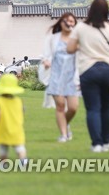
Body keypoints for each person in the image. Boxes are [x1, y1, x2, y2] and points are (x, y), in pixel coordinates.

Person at [67, 0, 109, 153]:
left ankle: (96, 144)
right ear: (107, 11)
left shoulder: (81, 28)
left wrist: (83, 46)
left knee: (93, 109)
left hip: (88, 70)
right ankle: (106, 143)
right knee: (106, 107)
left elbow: (70, 49)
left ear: (90, 11)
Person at [42, 12, 79, 142]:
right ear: (61, 23)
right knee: (60, 106)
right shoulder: (53, 38)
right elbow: (45, 55)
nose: (69, 23)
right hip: (56, 77)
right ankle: (63, 135)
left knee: (73, 108)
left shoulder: (77, 40)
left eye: (71, 21)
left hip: (71, 78)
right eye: (66, 21)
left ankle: (65, 123)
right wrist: (46, 62)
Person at [0, 74, 27, 167]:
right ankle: (23, 161)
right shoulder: (19, 101)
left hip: (3, 127)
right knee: (19, 146)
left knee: (3, 147)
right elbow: (22, 112)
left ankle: (3, 163)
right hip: (16, 127)